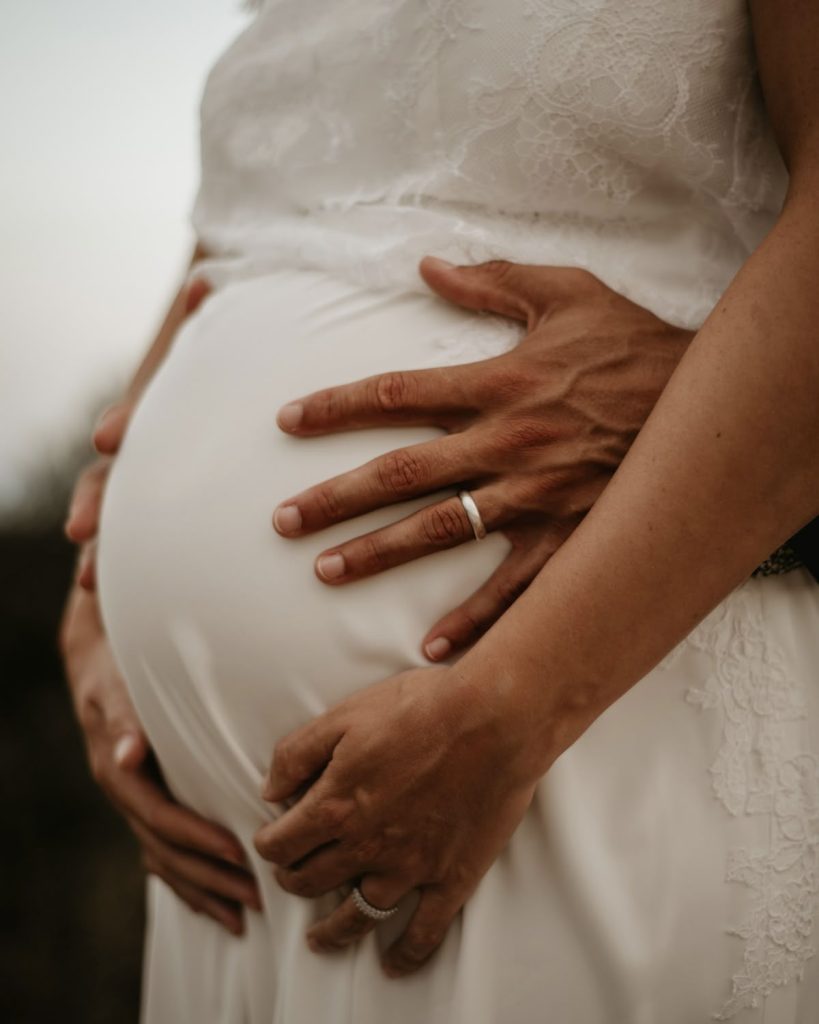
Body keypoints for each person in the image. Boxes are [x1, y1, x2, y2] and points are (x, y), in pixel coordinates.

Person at [61, 2, 819, 1021]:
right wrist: (97, 580)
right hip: (228, 890)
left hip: (567, 748)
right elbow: (254, 219)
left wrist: (516, 704)